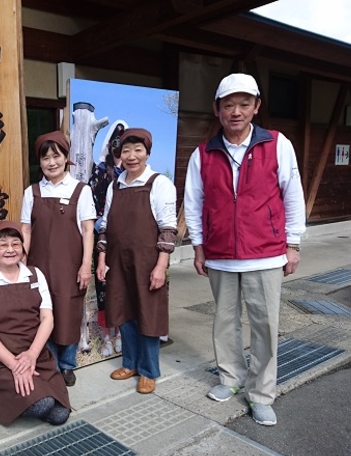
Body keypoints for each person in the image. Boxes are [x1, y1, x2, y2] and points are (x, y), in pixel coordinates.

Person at [184, 73, 306, 426]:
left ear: (256, 107)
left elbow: (293, 195)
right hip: (220, 253)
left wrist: (293, 243)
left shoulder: (278, 145)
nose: (235, 111)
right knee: (224, 324)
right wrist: (198, 246)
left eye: (243, 104)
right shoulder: (203, 154)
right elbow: (194, 203)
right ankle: (230, 379)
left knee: (264, 326)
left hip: (266, 252)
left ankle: (262, 393)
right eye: (228, 105)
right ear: (217, 110)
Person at [96, 128, 177, 395]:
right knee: (125, 313)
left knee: (148, 315)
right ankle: (130, 363)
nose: (131, 156)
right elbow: (105, 225)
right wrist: (102, 259)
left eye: (137, 150)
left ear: (147, 153)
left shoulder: (159, 183)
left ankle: (149, 370)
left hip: (147, 262)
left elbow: (168, 228)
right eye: (126, 151)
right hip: (118, 261)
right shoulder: (115, 185)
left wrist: (160, 266)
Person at [0, 221, 71, 426]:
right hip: (1, 361)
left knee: (60, 415)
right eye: (3, 245)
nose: (10, 250)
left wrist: (32, 355)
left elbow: (47, 319)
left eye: (16, 244)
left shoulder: (35, 274)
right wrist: (15, 365)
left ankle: (32, 394)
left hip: (36, 356)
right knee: (43, 405)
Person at [21, 131, 96, 387]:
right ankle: (51, 363)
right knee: (43, 314)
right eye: (45, 157)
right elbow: (27, 230)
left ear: (66, 158)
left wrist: (86, 265)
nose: (51, 162)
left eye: (56, 156)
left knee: (69, 314)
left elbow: (88, 231)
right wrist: (22, 265)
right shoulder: (31, 192)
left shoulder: (80, 190)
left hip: (70, 267)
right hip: (38, 266)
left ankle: (67, 364)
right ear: (39, 162)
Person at [89, 121, 126, 357]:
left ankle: (122, 333)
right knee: (103, 287)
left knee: (122, 288)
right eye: (116, 143)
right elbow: (93, 209)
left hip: (126, 242)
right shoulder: (101, 171)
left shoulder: (134, 175)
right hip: (102, 238)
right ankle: (106, 337)